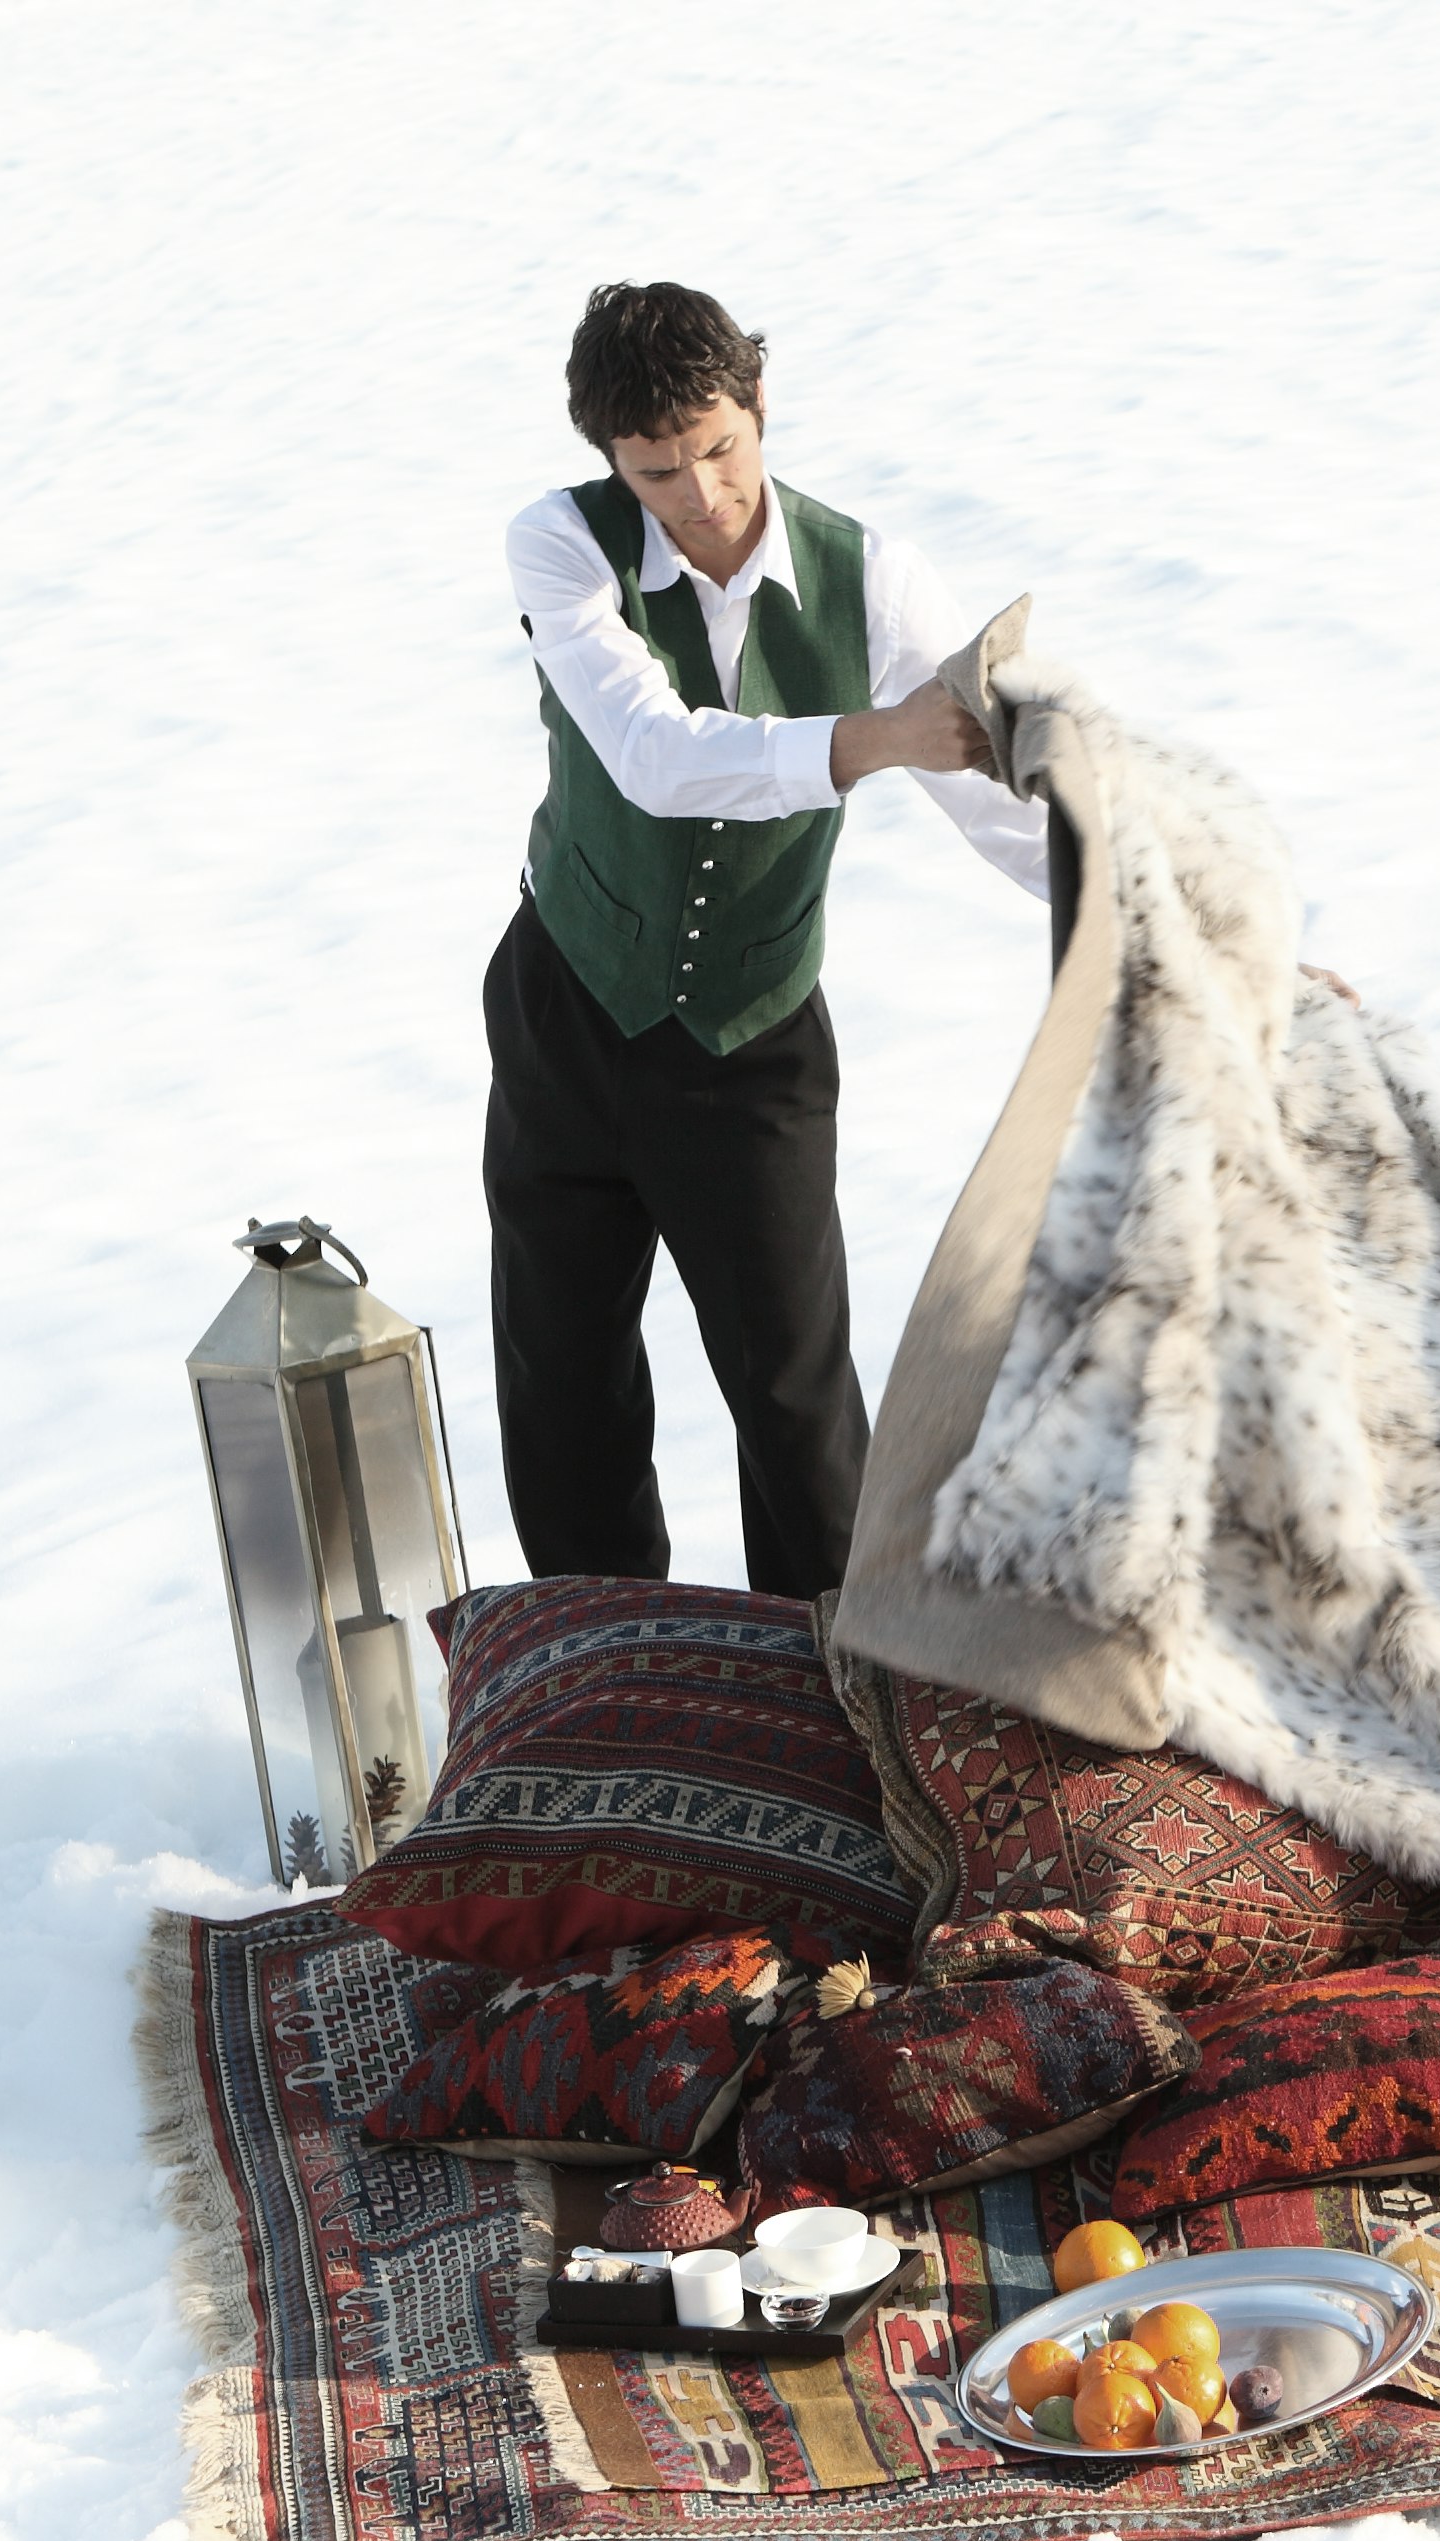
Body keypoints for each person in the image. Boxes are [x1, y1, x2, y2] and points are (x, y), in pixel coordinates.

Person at [483, 280, 1045, 1601]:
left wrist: (1180, 926)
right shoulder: (563, 548)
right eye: (658, 470)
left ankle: (832, 1690)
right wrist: (873, 739)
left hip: (752, 1041)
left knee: (794, 1395)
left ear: (758, 406)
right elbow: (654, 756)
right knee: (564, 1381)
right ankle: (604, 1670)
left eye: (721, 448)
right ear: (613, 461)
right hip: (569, 1006)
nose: (700, 493)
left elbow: (996, 803)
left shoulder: (874, 581)